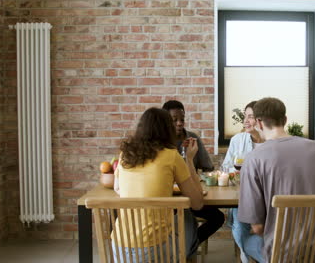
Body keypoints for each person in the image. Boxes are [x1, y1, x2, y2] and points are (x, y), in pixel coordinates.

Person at [238, 97, 315, 262]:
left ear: (259, 123)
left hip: (284, 255)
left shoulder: (253, 159)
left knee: (244, 238)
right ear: (285, 120)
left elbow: (258, 227)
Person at [113, 107, 204, 261]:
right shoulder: (171, 156)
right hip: (152, 249)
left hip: (119, 246)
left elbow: (118, 188)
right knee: (189, 221)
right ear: (167, 130)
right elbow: (197, 203)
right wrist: (189, 159)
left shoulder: (125, 154)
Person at [162, 100, 225, 245]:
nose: (179, 123)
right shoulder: (161, 143)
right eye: (174, 120)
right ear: (165, 121)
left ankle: (190, 245)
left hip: (191, 198)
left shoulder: (192, 139)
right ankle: (178, 247)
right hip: (168, 200)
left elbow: (208, 169)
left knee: (218, 218)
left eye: (182, 119)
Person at [222, 101, 264, 263]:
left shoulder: (273, 143)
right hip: (243, 194)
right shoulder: (237, 140)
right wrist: (234, 173)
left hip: (267, 197)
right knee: (240, 226)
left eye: (251, 117)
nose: (246, 121)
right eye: (245, 116)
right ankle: (247, 258)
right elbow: (226, 167)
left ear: (261, 120)